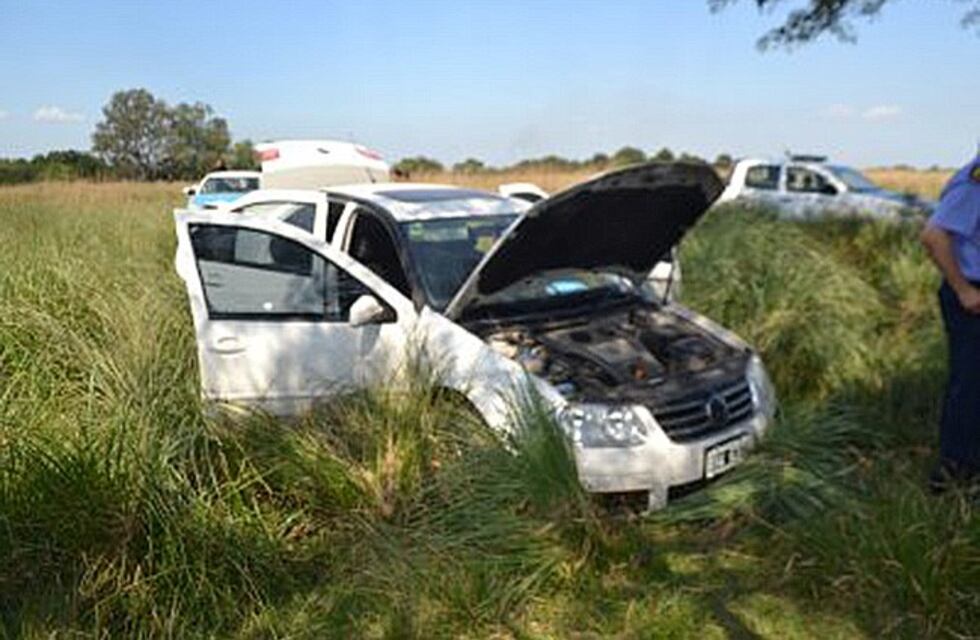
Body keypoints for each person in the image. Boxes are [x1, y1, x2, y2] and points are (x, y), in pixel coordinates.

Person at [920, 153, 980, 493]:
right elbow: (933, 235)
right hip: (971, 296)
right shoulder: (975, 181)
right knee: (970, 385)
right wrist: (964, 290)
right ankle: (954, 474)